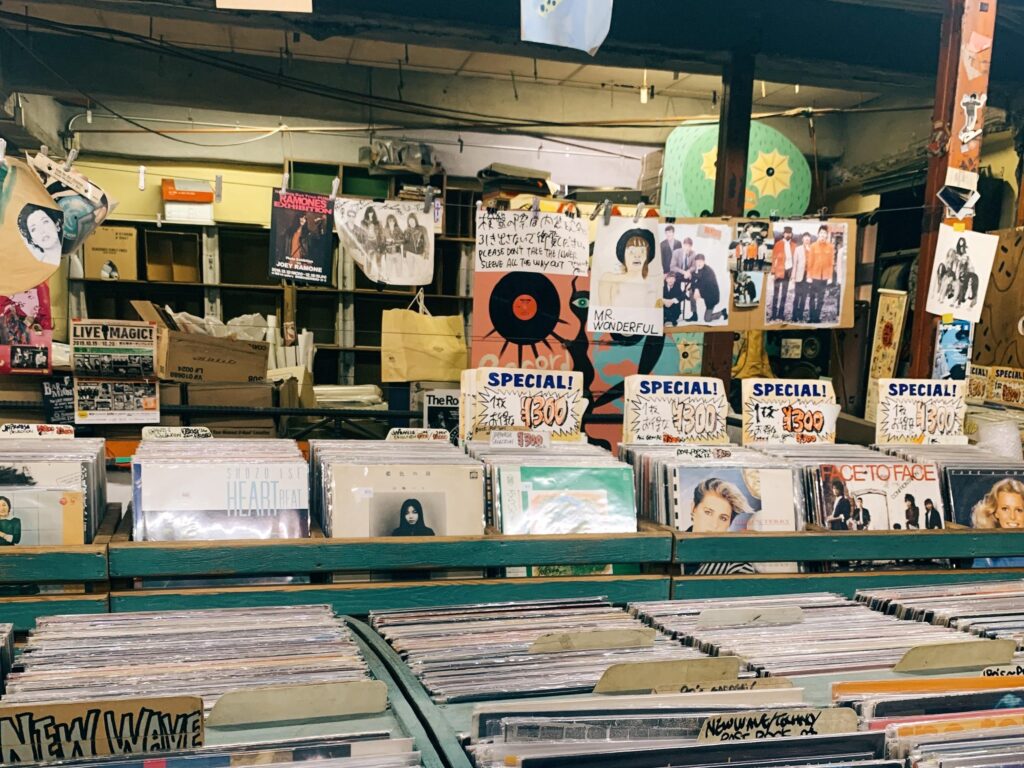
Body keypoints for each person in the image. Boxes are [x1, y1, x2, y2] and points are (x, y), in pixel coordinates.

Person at [684, 478, 756, 576]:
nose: (714, 525)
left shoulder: (738, 565)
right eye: (708, 512)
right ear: (693, 508)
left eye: (723, 518)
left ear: (729, 524)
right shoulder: (670, 547)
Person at [598, 229, 659, 310]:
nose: (637, 256)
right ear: (623, 255)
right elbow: (603, 311)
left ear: (647, 256)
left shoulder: (653, 284)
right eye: (631, 251)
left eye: (642, 251)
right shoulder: (609, 279)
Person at [971, 478, 1024, 567]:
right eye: (1005, 509)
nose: (1012, 517)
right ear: (995, 512)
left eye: (1019, 510)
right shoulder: (985, 549)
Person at [806, 224, 836, 324]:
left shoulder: (830, 247)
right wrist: (809, 276)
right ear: (818, 234)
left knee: (820, 299)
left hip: (824, 278)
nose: (823, 235)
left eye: (825, 233)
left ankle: (817, 317)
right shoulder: (813, 246)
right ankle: (811, 317)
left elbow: (831, 263)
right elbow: (810, 262)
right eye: (821, 233)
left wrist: (830, 277)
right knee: (812, 298)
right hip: (814, 277)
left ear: (827, 235)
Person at [690, 254, 728, 323]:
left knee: (707, 319)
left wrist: (697, 290)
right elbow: (693, 279)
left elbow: (704, 284)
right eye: (697, 262)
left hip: (712, 296)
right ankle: (694, 314)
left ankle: (722, 312)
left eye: (701, 261)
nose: (699, 263)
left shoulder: (708, 271)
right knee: (691, 292)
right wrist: (696, 289)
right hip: (705, 293)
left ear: (704, 262)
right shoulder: (698, 270)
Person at [769, 226, 795, 320]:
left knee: (784, 294)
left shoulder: (794, 245)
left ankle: (781, 314)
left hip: (788, 271)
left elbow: (795, 259)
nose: (788, 234)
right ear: (783, 234)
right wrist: (773, 271)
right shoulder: (778, 244)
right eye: (786, 233)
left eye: (789, 233)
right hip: (779, 270)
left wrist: (793, 272)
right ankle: (773, 314)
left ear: (791, 234)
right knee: (776, 294)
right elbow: (773, 258)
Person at [357, 206, 385, 278]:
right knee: (369, 260)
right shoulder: (363, 223)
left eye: (372, 213)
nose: (370, 214)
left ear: (374, 213)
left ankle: (380, 275)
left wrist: (381, 244)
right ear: (367, 213)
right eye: (369, 213)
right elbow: (361, 234)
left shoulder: (378, 222)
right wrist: (362, 244)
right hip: (368, 244)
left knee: (378, 261)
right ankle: (369, 275)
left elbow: (382, 233)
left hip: (377, 243)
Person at [791, 232, 813, 323]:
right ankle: (794, 316)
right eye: (805, 238)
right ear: (802, 239)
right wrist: (793, 276)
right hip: (799, 276)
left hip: (808, 277)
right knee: (797, 296)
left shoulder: (812, 249)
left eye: (808, 238)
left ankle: (800, 315)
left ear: (810, 240)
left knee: (804, 297)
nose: (807, 240)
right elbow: (795, 264)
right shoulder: (798, 249)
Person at [383, 214, 406, 282]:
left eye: (393, 221)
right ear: (387, 222)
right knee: (388, 273)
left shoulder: (398, 229)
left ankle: (399, 283)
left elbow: (404, 240)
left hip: (397, 253)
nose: (391, 222)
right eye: (390, 221)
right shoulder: (385, 230)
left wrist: (395, 241)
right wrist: (387, 242)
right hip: (388, 254)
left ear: (395, 221)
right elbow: (382, 242)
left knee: (399, 273)